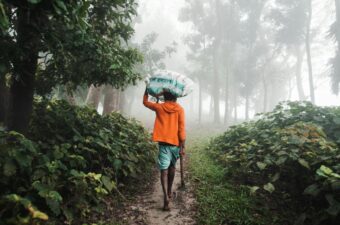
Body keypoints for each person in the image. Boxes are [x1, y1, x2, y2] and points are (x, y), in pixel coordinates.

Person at [143, 88, 186, 211]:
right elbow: (181, 129)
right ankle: (169, 191)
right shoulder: (180, 109)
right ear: (175, 97)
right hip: (175, 144)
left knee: (164, 170)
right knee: (172, 167)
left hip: (163, 143)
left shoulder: (159, 107)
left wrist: (147, 90)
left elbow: (145, 102)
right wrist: (182, 144)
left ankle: (165, 197)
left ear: (165, 96)